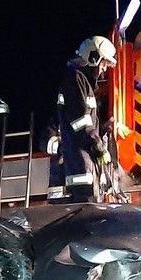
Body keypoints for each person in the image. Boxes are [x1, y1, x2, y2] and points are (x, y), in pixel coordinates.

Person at [54, 35, 117, 202]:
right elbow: (80, 122)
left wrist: (102, 129)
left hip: (84, 160)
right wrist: (99, 148)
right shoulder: (75, 79)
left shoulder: (82, 82)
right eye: (104, 64)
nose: (104, 69)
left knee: (92, 207)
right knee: (87, 210)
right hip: (80, 162)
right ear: (93, 58)